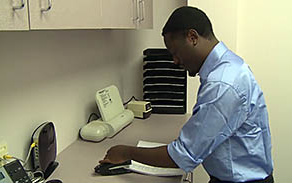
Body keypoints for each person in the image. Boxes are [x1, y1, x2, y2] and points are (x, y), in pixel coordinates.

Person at [99, 6, 274, 183]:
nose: (175, 61)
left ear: (192, 37)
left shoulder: (222, 84)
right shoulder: (229, 66)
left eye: (175, 53)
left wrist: (125, 153)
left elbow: (183, 156)